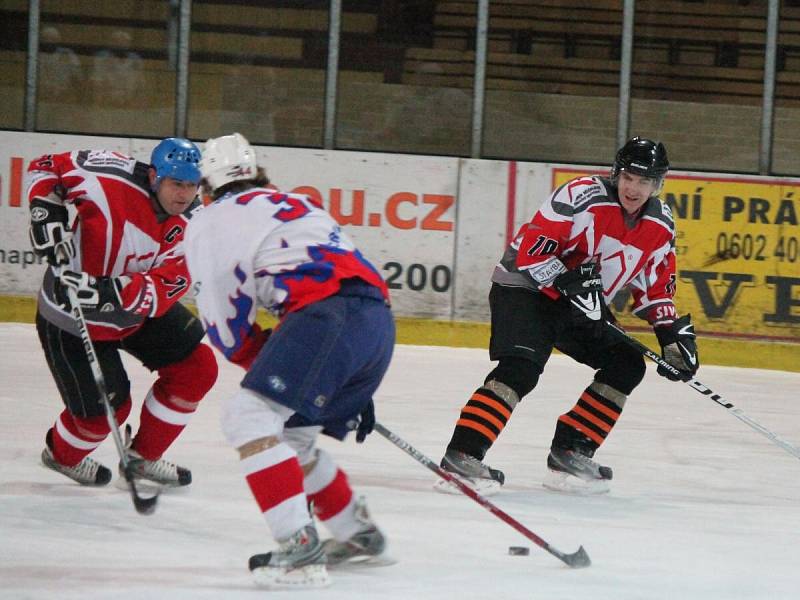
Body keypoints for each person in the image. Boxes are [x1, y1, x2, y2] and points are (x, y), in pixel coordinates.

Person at [183, 133, 395, 589]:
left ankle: (300, 552)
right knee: (293, 436)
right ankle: (358, 534)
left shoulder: (211, 218)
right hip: (376, 325)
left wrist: (263, 358)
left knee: (247, 417)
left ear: (206, 187)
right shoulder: (292, 203)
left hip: (326, 318)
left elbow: (225, 322)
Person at [438, 137, 699, 495]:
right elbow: (529, 255)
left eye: (643, 181)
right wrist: (567, 281)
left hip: (577, 300)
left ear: (658, 184)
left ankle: (571, 450)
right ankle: (463, 454)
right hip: (525, 287)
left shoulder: (661, 224)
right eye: (628, 177)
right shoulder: (580, 195)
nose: (633, 188)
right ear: (616, 174)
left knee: (626, 363)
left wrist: (670, 337)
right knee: (521, 368)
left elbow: (655, 288)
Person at [27, 138, 219, 489]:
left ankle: (143, 457)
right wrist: (46, 211)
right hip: (70, 316)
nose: (184, 194)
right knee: (104, 417)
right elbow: (45, 166)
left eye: (192, 185)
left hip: (133, 312)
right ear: (154, 176)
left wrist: (106, 292)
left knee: (198, 369)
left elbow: (166, 288)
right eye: (177, 183)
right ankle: (61, 455)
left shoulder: (198, 221)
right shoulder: (105, 174)